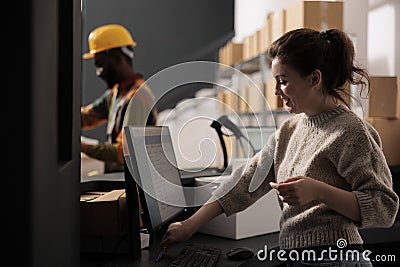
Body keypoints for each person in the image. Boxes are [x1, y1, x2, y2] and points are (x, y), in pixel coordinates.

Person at [160, 28, 399, 266]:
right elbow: (246, 181)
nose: (276, 92)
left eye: (283, 82)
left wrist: (319, 191)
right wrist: (189, 225)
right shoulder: (288, 131)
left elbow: (384, 208)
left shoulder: (351, 132)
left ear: (315, 79)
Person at [81, 24, 157, 173]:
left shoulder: (137, 98)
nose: (98, 73)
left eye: (100, 65)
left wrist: (82, 146)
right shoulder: (117, 93)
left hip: (132, 185)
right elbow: (85, 118)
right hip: (119, 179)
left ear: (117, 59)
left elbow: (123, 152)